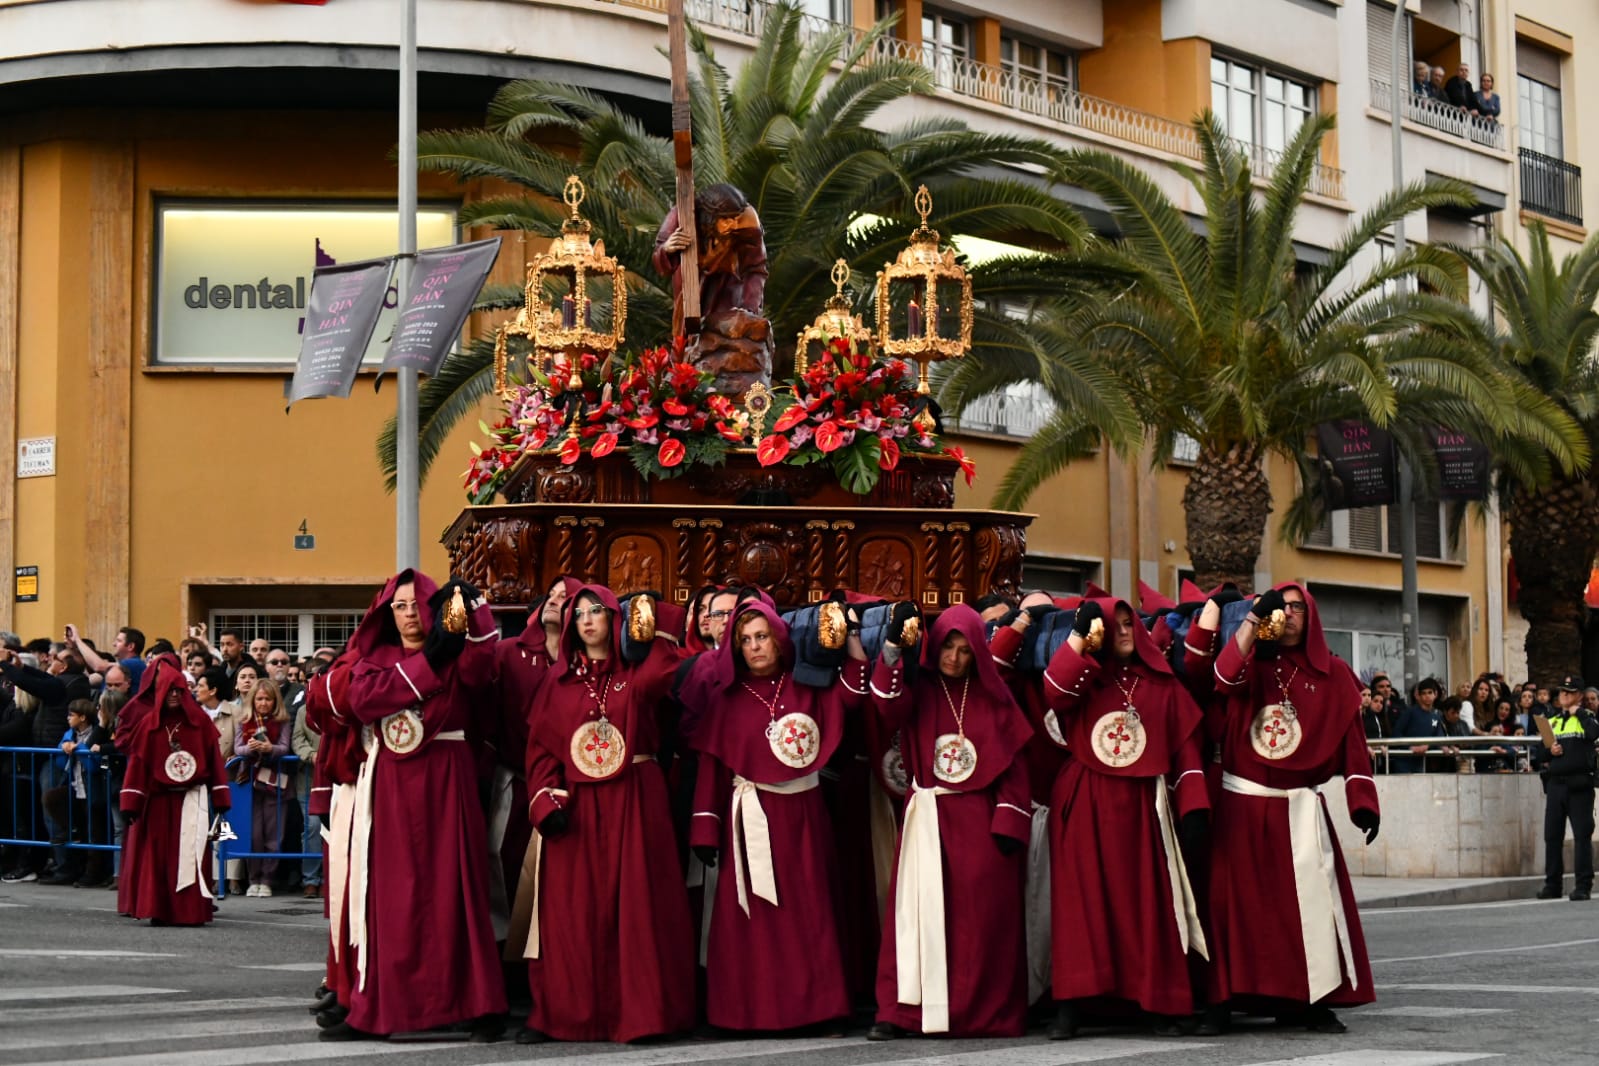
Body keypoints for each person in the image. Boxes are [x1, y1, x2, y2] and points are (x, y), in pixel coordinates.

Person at [324, 571, 506, 1043]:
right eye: (399, 606)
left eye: (416, 604)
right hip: (393, 785)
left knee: (457, 889)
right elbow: (365, 701)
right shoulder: (377, 658)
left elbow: (482, 670)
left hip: (448, 779)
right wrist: (428, 661)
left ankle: (477, 1003)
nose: (408, 613)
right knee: (392, 895)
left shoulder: (458, 656)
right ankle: (383, 1005)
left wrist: (473, 609)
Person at [680, 598, 870, 1032]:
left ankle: (818, 1008)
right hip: (748, 820)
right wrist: (705, 831)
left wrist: (853, 638)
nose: (755, 647)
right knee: (752, 923)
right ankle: (746, 1011)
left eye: (762, 637)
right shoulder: (726, 700)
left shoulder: (807, 685)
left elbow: (856, 695)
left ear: (780, 639)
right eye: (745, 641)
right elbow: (713, 769)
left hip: (804, 818)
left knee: (810, 916)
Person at [517, 585, 694, 1044]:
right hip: (576, 808)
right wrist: (544, 803)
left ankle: (645, 1014)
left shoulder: (637, 674)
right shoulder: (558, 685)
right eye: (581, 615)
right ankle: (570, 1014)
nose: (589, 620)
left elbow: (665, 672)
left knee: (640, 909)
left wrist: (646, 623)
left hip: (636, 799)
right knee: (574, 915)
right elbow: (540, 752)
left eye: (599, 612)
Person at [1205, 583, 1378, 1034]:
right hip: (1242, 804)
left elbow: (1354, 747)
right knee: (1233, 911)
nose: (1289, 613)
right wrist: (1250, 623)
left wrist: (1363, 804)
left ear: (1312, 616)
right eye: (1280, 606)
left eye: (1298, 607)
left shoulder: (1336, 675)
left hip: (1300, 809)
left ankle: (1307, 1000)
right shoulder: (1249, 664)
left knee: (1305, 914)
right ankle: (1223, 1001)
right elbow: (1222, 679)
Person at [1038, 598, 1209, 1038]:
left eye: (1129, 623)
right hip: (1086, 804)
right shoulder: (1086, 678)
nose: (1124, 632)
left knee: (1145, 908)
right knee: (1082, 909)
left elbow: (1185, 752)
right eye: (1112, 626)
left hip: (1141, 810)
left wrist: (1193, 808)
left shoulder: (1165, 686)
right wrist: (1079, 637)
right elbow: (1054, 690)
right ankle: (1072, 1005)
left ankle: (1156, 1002)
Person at [866, 603, 1033, 1040]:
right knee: (914, 917)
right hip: (928, 820)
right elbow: (885, 704)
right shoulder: (917, 688)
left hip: (981, 826)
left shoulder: (995, 697)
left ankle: (980, 1014)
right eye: (947, 647)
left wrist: (1010, 826)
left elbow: (1015, 770)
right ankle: (900, 1013)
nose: (954, 659)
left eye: (964, 650)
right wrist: (890, 649)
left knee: (980, 926)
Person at [118, 662, 231, 925]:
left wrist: (221, 798)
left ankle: (190, 912)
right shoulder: (148, 725)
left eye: (178, 691)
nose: (174, 696)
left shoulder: (200, 722)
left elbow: (214, 761)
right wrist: (131, 803)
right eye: (169, 691)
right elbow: (138, 765)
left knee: (191, 855)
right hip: (158, 802)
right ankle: (160, 910)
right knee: (157, 857)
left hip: (192, 799)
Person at [1533, 675, 1597, 902]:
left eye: (1569, 693)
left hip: (1579, 785)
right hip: (1556, 785)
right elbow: (1539, 753)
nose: (1564, 696)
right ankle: (1553, 884)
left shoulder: (1586, 717)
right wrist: (1552, 752)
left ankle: (1583, 885)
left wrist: (1578, 712)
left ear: (1579, 696)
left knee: (1581, 835)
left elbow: (1594, 733)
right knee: (1552, 836)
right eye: (1561, 692)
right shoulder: (1553, 721)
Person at [40, 699, 113, 886]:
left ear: (82, 717)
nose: (67, 718)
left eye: (71, 715)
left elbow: (95, 764)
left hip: (94, 790)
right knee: (52, 797)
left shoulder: (97, 733)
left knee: (95, 833)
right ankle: (71, 829)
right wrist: (64, 745)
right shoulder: (71, 733)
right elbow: (60, 755)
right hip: (75, 786)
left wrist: (79, 750)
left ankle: (93, 873)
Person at [235, 678, 292, 897]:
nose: (263, 703)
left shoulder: (283, 721)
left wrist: (270, 748)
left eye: (268, 699)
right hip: (249, 782)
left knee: (273, 833)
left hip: (275, 783)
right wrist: (250, 749)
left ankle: (268, 879)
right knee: (254, 834)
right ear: (253, 700)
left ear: (275, 701)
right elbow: (237, 748)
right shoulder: (244, 720)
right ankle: (253, 878)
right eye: (259, 699)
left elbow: (285, 747)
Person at [1392, 677, 1444, 774]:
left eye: (1430, 692)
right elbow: (1396, 733)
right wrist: (1410, 747)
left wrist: (1429, 746)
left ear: (1435, 694)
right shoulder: (1410, 712)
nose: (1427, 696)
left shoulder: (1436, 717)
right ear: (1418, 696)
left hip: (1420, 762)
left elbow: (1438, 738)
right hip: (1403, 760)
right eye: (1423, 693)